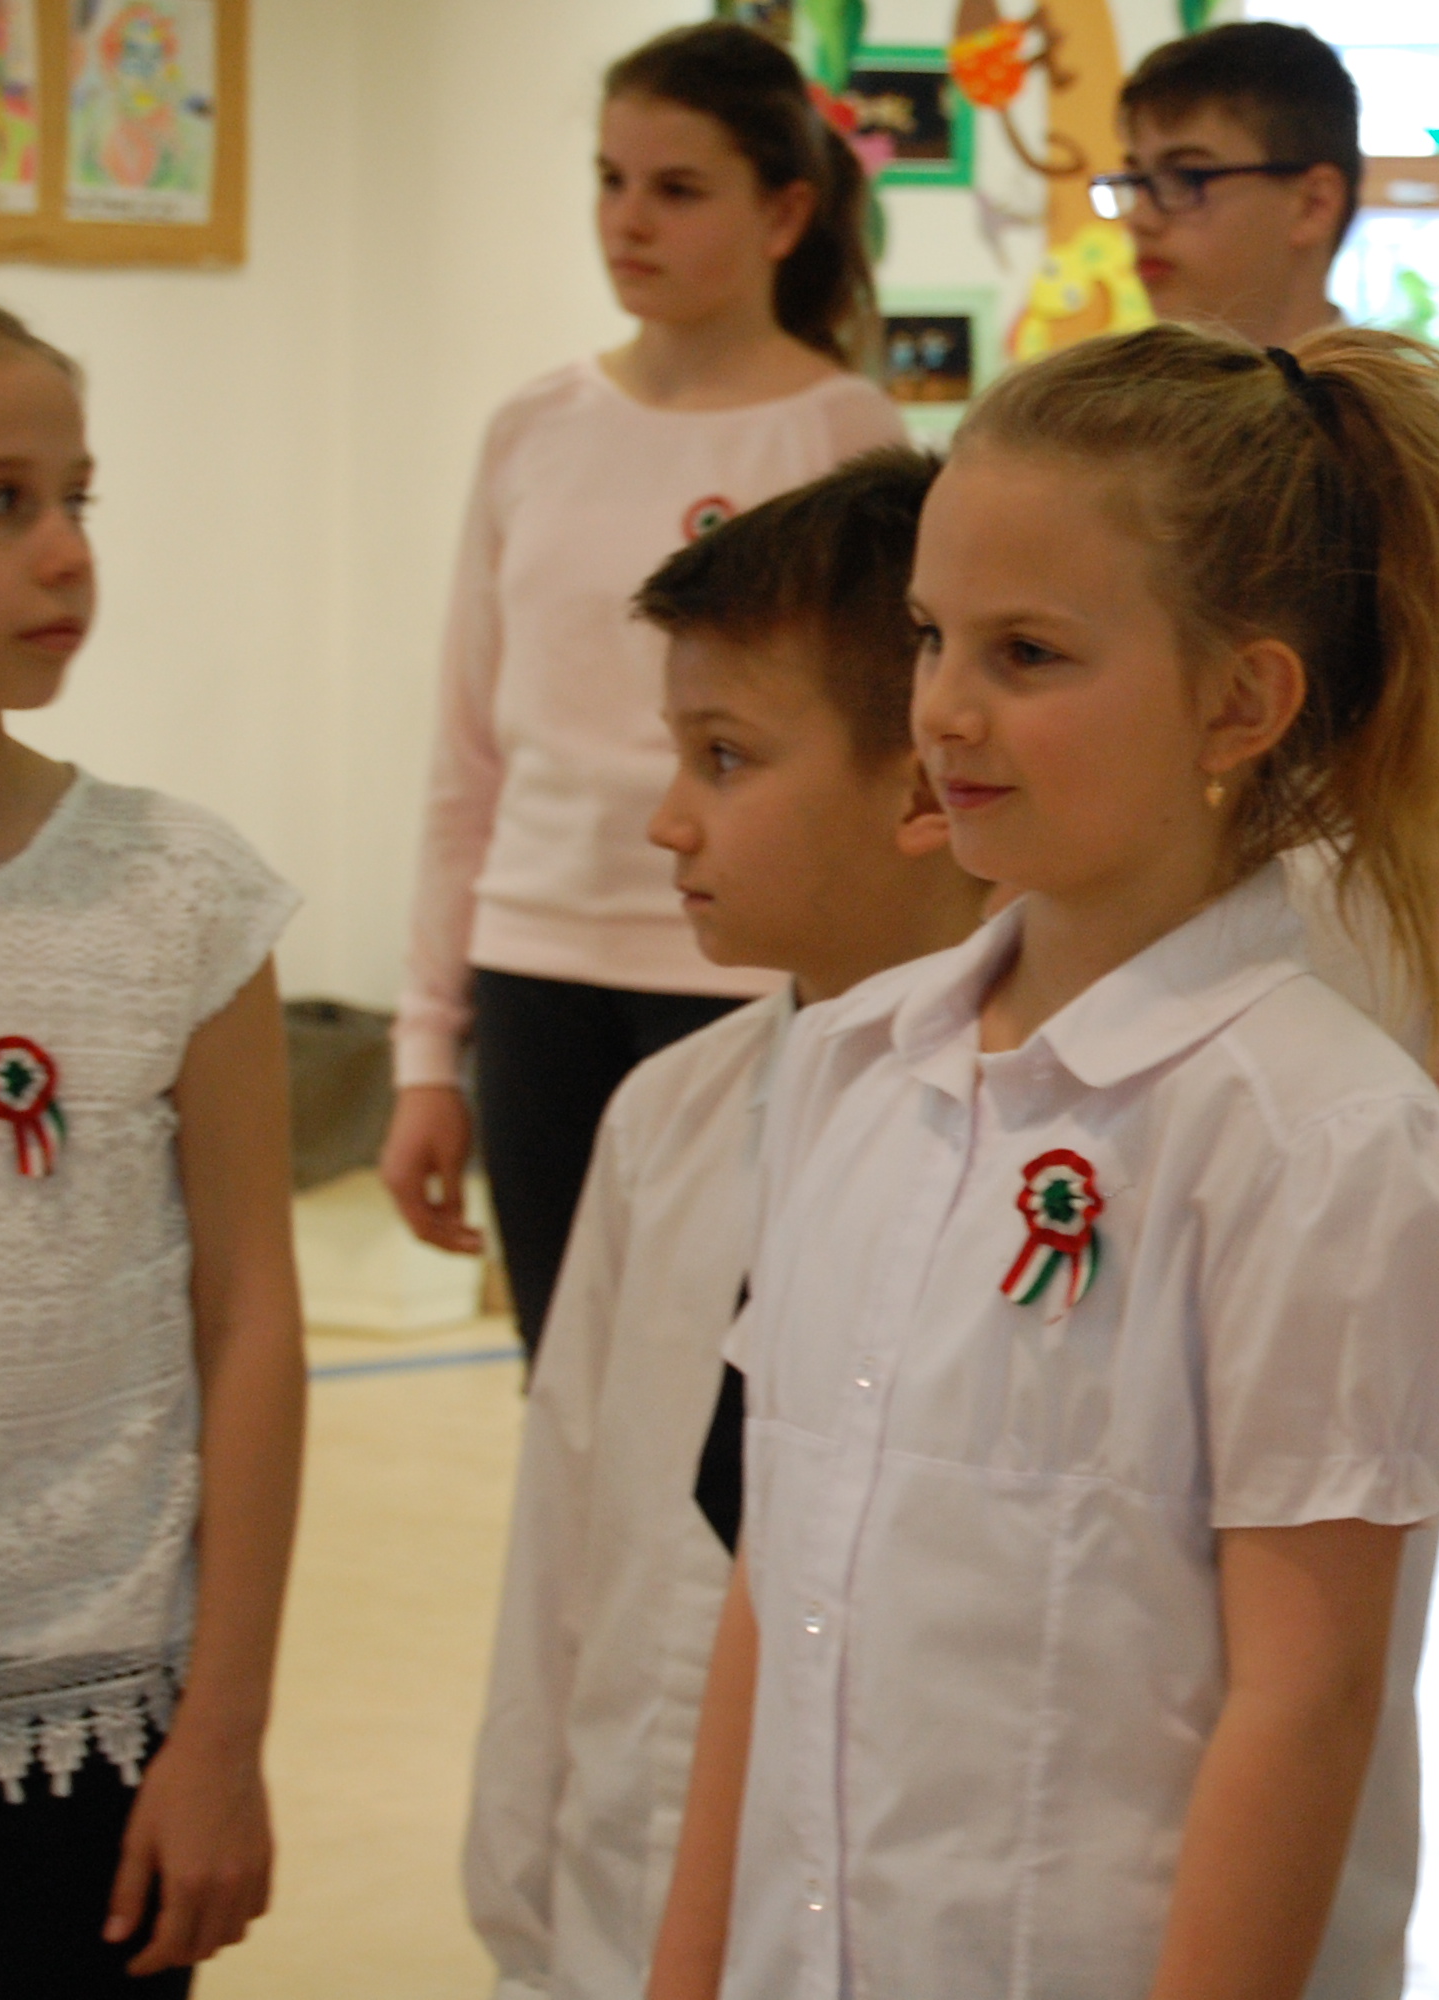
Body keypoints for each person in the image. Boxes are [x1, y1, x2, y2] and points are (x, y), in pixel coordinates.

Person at [644, 325, 1439, 2000]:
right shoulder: (847, 1064)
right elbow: (775, 1575)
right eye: (931, 638)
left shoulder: (1319, 1142)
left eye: (1027, 654)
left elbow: (1303, 1704)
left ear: (1240, 702)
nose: (945, 712)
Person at [462, 448, 983, 2000]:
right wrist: (528, 1916)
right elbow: (567, 1545)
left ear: (920, 783)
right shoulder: (667, 1123)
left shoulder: (1052, 1164)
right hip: (617, 1912)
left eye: (725, 759)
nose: (668, 822)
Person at [381, 20, 909, 1358]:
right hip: (534, 968)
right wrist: (426, 1053)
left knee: (735, 1397)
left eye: (676, 189)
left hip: (749, 973)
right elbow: (466, 755)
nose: (628, 220)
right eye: (611, 181)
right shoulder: (531, 427)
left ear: (783, 212)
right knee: (567, 1388)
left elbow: (880, 758)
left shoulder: (841, 433)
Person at [0, 299, 306, 1992]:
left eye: (75, 497)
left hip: (92, 1725)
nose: (64, 552)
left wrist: (223, 1735)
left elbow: (250, 1322)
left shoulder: (178, 894)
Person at [1108, 19, 1439, 1171]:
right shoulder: (1113, 434)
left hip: (1349, 1007)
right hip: (1135, 992)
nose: (1148, 215)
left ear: (1311, 201)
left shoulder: (1423, 450)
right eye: (1135, 178)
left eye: (1188, 177)